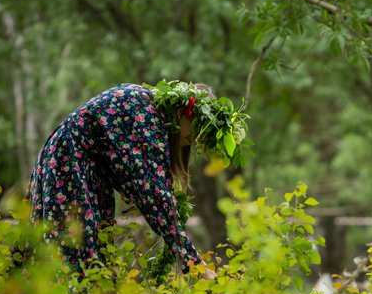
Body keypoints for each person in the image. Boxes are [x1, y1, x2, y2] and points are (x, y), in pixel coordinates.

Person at [28, 82, 228, 279]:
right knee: (75, 254)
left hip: (87, 170)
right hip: (68, 162)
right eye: (196, 127)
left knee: (98, 259)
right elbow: (157, 199)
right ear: (183, 112)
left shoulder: (150, 115)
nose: (195, 137)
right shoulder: (146, 117)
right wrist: (195, 266)